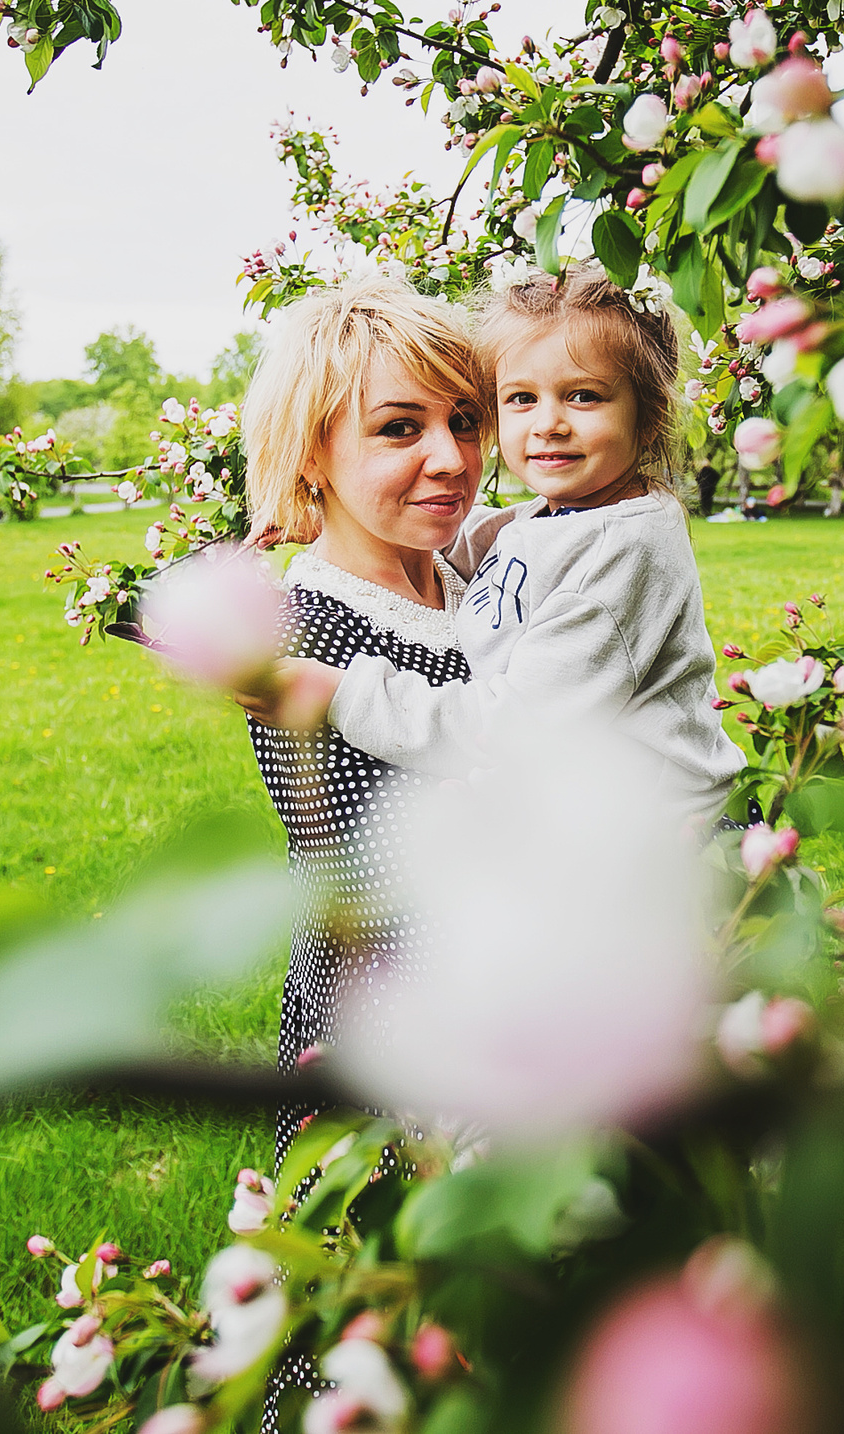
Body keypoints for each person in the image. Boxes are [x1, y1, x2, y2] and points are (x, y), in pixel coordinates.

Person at [264, 263, 743, 822]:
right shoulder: (569, 519)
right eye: (519, 398)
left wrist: (341, 695)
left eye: (584, 396)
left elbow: (515, 731)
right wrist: (325, 513)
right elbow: (506, 540)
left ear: (647, 416)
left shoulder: (619, 550)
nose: (549, 424)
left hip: (662, 840)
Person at [231, 275, 487, 1160]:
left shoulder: (468, 575)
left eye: (464, 419)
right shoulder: (307, 638)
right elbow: (386, 890)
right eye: (398, 428)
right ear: (311, 454)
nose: (452, 458)